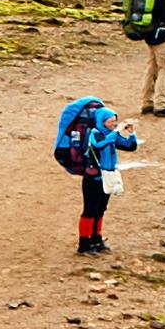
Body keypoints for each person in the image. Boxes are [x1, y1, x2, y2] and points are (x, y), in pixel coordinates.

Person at [53, 95, 140, 257]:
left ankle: (96, 239)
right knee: (90, 209)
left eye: (114, 121)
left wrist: (130, 134)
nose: (114, 124)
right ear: (101, 121)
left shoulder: (109, 134)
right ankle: (84, 243)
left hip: (105, 177)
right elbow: (100, 144)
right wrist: (116, 134)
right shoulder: (95, 135)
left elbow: (130, 147)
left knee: (100, 209)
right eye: (110, 121)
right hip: (92, 178)